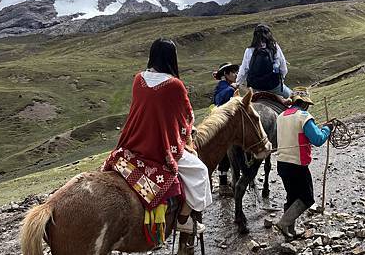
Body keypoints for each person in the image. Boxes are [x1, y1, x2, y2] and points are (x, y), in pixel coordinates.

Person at [103, 38, 211, 235]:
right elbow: (186, 116)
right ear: (172, 58)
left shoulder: (138, 79)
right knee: (201, 172)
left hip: (131, 145)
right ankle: (183, 220)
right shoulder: (175, 85)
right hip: (159, 149)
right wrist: (185, 133)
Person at [275, 87, 334, 238]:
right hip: (297, 164)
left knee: (292, 195)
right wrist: (327, 128)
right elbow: (318, 139)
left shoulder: (281, 116)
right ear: (305, 103)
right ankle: (284, 223)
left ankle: (290, 230)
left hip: (282, 163)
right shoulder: (304, 116)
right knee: (307, 198)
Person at [236, 23, 291, 98]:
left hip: (255, 87)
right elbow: (283, 68)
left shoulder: (249, 50)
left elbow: (243, 70)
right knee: (291, 96)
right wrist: (281, 80)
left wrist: (238, 83)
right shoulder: (274, 47)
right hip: (274, 87)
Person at [212, 62, 239, 196]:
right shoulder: (226, 88)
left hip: (224, 122)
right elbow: (221, 101)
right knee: (225, 155)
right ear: (226, 74)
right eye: (233, 72)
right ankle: (223, 185)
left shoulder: (225, 86)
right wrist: (232, 89)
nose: (236, 74)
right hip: (225, 124)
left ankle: (224, 181)